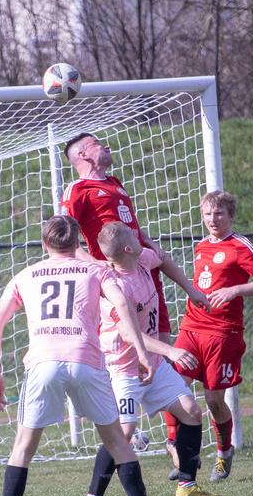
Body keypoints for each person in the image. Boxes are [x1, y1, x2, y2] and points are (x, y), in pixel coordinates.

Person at [0, 215, 160, 496]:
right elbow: (122, 305)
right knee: (119, 443)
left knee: (23, 447)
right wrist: (141, 352)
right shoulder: (95, 270)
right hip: (85, 362)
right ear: (77, 243)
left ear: (45, 244)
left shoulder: (26, 274)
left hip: (43, 363)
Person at [60, 132, 208, 474]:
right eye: (99, 143)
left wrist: (189, 287)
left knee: (164, 366)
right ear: (83, 153)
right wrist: (98, 267)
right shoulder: (77, 190)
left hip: (147, 281)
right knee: (135, 360)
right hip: (118, 288)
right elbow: (66, 237)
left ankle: (180, 461)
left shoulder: (115, 183)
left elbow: (141, 238)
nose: (107, 145)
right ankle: (121, 430)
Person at [79, 222, 224, 496]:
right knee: (124, 430)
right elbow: (133, 335)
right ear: (128, 248)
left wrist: (191, 289)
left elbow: (164, 260)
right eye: (134, 236)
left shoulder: (141, 257)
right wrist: (171, 350)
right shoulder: (114, 288)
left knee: (191, 412)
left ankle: (187, 486)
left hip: (153, 363)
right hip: (124, 369)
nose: (139, 235)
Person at [174, 190, 253, 482]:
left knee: (214, 399)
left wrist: (235, 290)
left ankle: (224, 452)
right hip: (192, 327)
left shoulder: (240, 245)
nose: (212, 219)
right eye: (207, 214)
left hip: (223, 333)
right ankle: (179, 454)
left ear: (230, 216)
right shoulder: (201, 246)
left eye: (218, 213)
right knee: (173, 387)